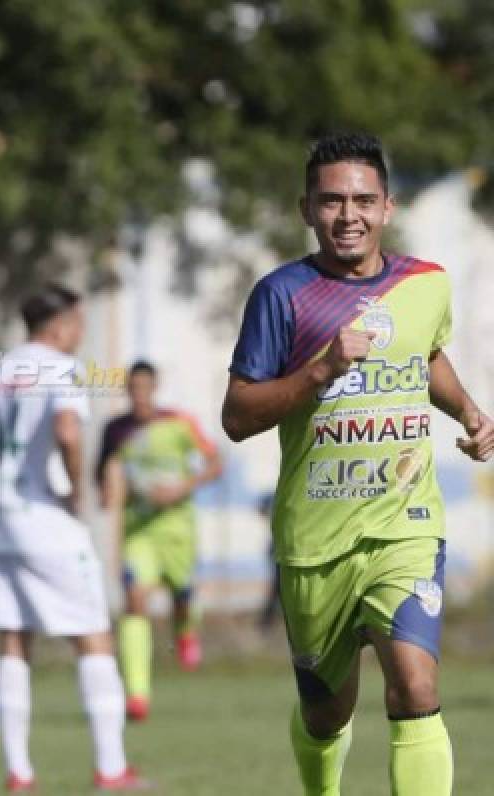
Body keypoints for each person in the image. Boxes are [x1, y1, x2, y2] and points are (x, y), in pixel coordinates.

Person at [222, 132, 494, 796]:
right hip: (315, 540)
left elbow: (423, 355)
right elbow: (237, 415)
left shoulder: (426, 284)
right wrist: (321, 368)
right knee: (326, 712)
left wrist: (469, 413)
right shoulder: (282, 295)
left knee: (415, 683)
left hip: (405, 525)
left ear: (388, 207)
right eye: (333, 201)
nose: (350, 215)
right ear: (306, 209)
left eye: (364, 200)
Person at [0, 284, 147, 792]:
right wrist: (75, 488)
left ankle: (19, 772)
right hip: (47, 520)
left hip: (1, 521)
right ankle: (110, 768)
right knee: (93, 637)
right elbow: (66, 429)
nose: (80, 333)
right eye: (78, 323)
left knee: (14, 641)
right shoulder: (61, 370)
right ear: (59, 325)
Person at [94, 361, 222, 721]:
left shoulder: (180, 423)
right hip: (138, 532)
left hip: (178, 531)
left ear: (154, 388)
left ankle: (185, 630)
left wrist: (181, 487)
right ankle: (137, 694)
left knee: (182, 594)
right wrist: (111, 491)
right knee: (135, 600)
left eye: (144, 388)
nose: (139, 396)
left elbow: (215, 464)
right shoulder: (116, 431)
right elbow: (105, 475)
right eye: (132, 389)